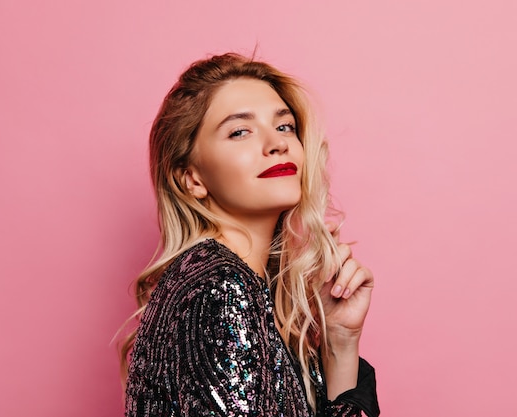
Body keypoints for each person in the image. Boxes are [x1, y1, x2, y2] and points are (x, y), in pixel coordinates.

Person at [121, 53, 380, 417]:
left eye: (285, 126)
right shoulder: (221, 287)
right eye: (240, 131)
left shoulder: (229, 283)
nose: (276, 144)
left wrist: (340, 340)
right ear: (192, 178)